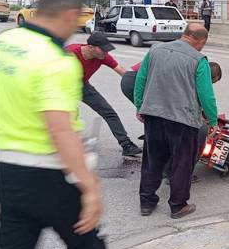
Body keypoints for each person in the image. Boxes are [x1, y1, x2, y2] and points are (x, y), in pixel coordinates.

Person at [0, 0, 106, 249]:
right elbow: (60, 130)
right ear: (71, 14)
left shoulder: (5, 42)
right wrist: (90, 187)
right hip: (50, 175)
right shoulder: (56, 61)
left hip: (7, 173)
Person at [134, 24, 219, 219]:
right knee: (182, 163)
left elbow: (141, 79)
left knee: (152, 160)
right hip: (182, 120)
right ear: (200, 41)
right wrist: (212, 121)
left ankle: (146, 202)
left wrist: (140, 105)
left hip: (154, 115)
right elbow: (206, 94)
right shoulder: (199, 60)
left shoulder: (155, 50)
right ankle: (178, 205)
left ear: (185, 34)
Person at [66, 34, 143, 157]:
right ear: (90, 47)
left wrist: (138, 85)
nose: (106, 52)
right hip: (62, 88)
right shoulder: (70, 53)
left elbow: (123, 72)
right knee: (67, 115)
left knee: (109, 112)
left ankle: (126, 144)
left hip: (83, 86)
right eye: (103, 49)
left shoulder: (103, 57)